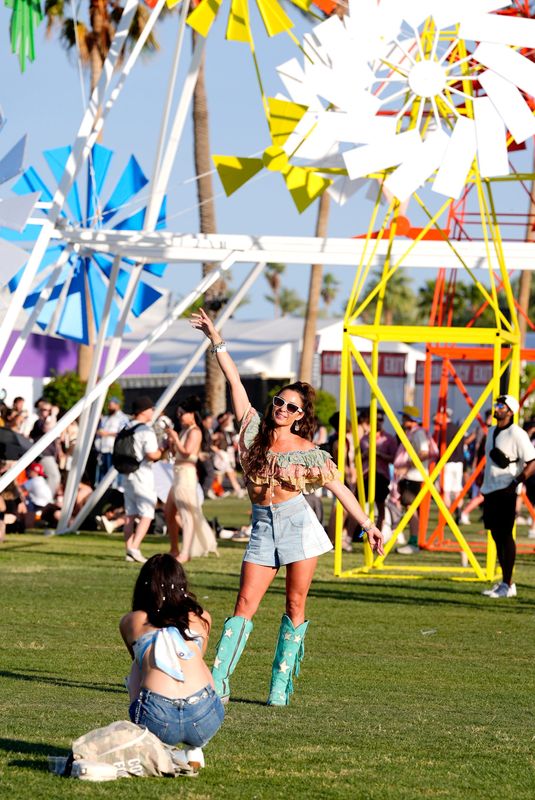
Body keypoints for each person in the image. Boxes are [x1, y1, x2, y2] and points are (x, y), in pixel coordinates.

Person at [191, 308, 383, 707]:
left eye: (291, 407)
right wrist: (216, 338)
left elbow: (339, 489)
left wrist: (368, 524)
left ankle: (279, 688)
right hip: (262, 525)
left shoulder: (309, 452)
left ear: (300, 417)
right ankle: (219, 682)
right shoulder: (252, 429)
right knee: (245, 603)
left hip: (298, 525)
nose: (281, 408)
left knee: (295, 604)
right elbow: (234, 381)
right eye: (279, 401)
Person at [119, 554, 224, 766]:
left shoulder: (132, 620)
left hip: (158, 719)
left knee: (139, 665)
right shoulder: (201, 617)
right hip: (204, 718)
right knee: (194, 659)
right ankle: (195, 749)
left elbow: (139, 664)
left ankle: (157, 744)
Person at [480, 395, 535, 599]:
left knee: (505, 535)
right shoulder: (492, 431)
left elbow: (532, 460)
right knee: (496, 535)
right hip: (490, 489)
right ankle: (505, 582)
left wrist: (517, 481)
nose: (497, 408)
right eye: (496, 405)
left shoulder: (517, 433)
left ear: (510, 411)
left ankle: (508, 583)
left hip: (506, 489)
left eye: (501, 406)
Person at [164, 398, 218, 563]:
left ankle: (184, 552)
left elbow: (187, 452)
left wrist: (175, 438)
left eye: (182, 413)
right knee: (169, 512)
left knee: (186, 514)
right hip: (178, 474)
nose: (180, 416)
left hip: (186, 475)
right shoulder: (184, 430)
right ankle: (174, 548)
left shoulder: (195, 432)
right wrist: (172, 441)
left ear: (192, 414)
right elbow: (176, 453)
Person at [123, 396, 165, 564]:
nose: (152, 412)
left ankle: (128, 550)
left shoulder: (125, 427)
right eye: (150, 409)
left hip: (126, 474)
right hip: (142, 475)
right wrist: (162, 451)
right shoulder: (145, 430)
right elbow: (151, 454)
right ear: (143, 411)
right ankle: (134, 548)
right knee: (147, 513)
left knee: (130, 514)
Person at [394, 405, 437, 555]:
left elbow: (424, 453)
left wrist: (407, 467)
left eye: (405, 417)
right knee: (409, 508)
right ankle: (411, 540)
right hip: (412, 476)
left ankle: (413, 541)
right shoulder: (413, 433)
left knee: (411, 509)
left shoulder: (418, 433)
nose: (402, 420)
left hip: (414, 476)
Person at [360, 409, 397, 533]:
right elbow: (357, 458)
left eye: (381, 419)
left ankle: (378, 534)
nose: (378, 422)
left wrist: (379, 454)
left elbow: (393, 458)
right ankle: (350, 536)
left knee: (380, 506)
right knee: (358, 506)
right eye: (376, 419)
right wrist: (365, 454)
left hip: (381, 476)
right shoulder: (364, 438)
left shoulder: (389, 439)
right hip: (366, 475)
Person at [95, 397, 129, 483]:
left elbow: (123, 433)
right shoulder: (106, 418)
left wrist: (107, 434)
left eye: (111, 405)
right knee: (102, 475)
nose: (109, 407)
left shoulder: (122, 418)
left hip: (113, 450)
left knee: (112, 477)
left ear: (117, 406)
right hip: (103, 449)